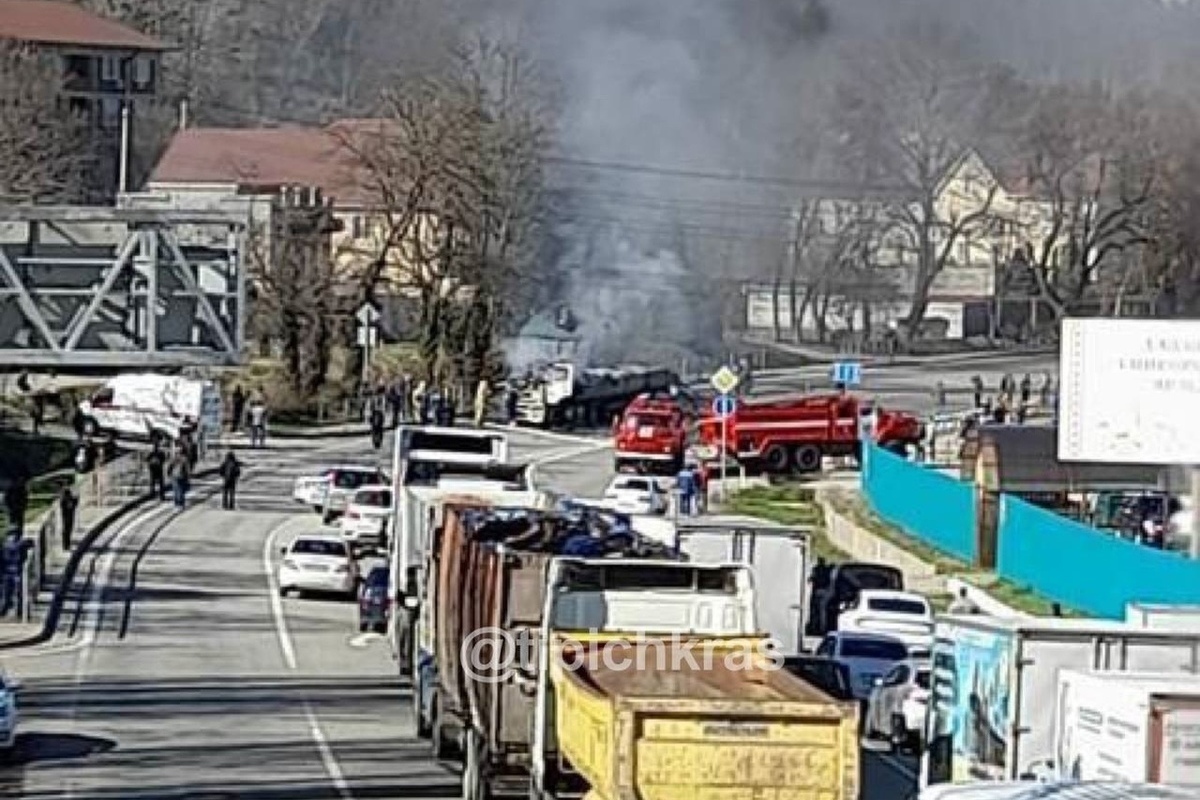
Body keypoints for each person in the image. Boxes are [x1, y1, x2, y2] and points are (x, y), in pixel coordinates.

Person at [0, 528, 32, 618]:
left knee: (19, 593)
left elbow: (30, 543)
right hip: (9, 573)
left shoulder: (18, 545)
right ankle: (5, 610)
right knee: (7, 593)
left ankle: (20, 611)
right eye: (10, 535)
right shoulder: (8, 546)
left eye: (13, 535)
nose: (11, 537)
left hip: (16, 572)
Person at [59, 485, 78, 551]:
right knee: (67, 531)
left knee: (68, 531)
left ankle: (67, 545)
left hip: (68, 517)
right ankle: (66, 545)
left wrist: (75, 499)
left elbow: (75, 504)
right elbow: (73, 505)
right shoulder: (64, 500)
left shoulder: (67, 500)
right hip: (67, 517)